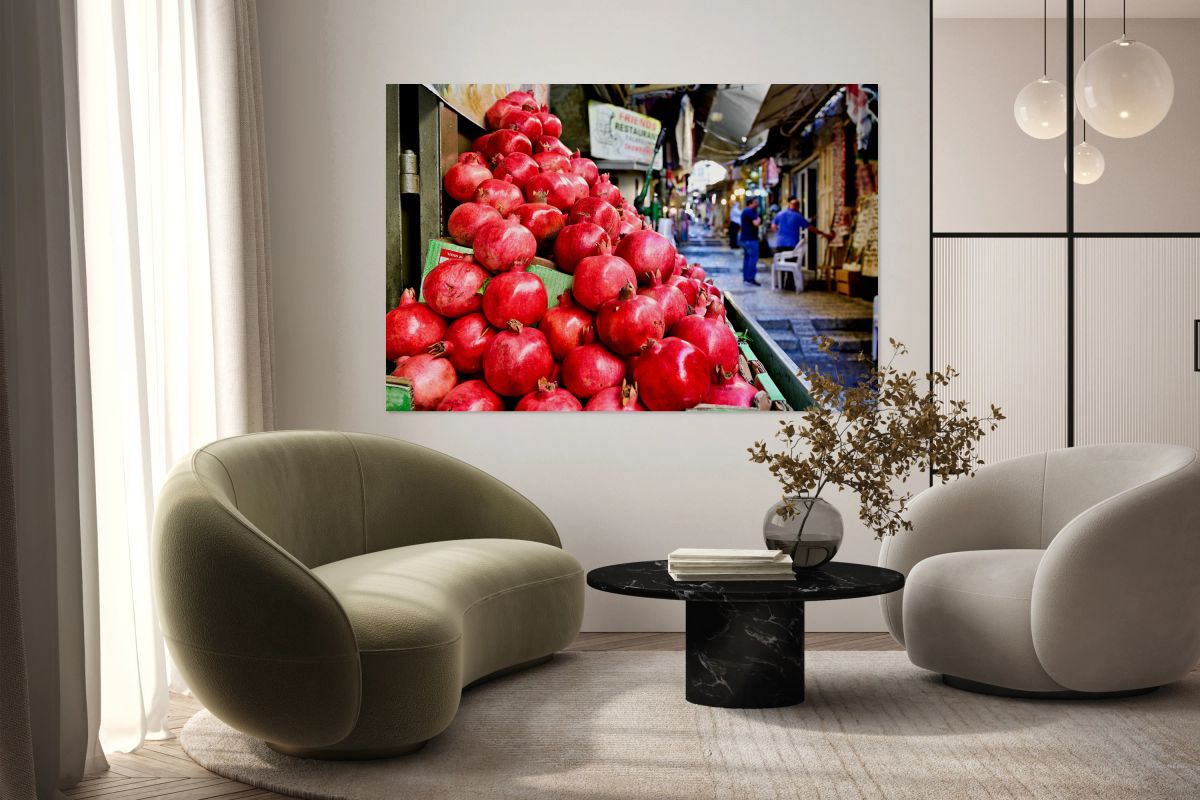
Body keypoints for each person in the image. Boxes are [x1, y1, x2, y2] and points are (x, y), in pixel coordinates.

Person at [739, 197, 762, 285]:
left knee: (747, 259)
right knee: (753, 259)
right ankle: (750, 278)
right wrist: (759, 219)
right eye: (755, 202)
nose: (757, 204)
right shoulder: (749, 211)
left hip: (746, 239)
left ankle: (746, 279)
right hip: (750, 239)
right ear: (750, 203)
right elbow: (756, 223)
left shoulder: (746, 211)